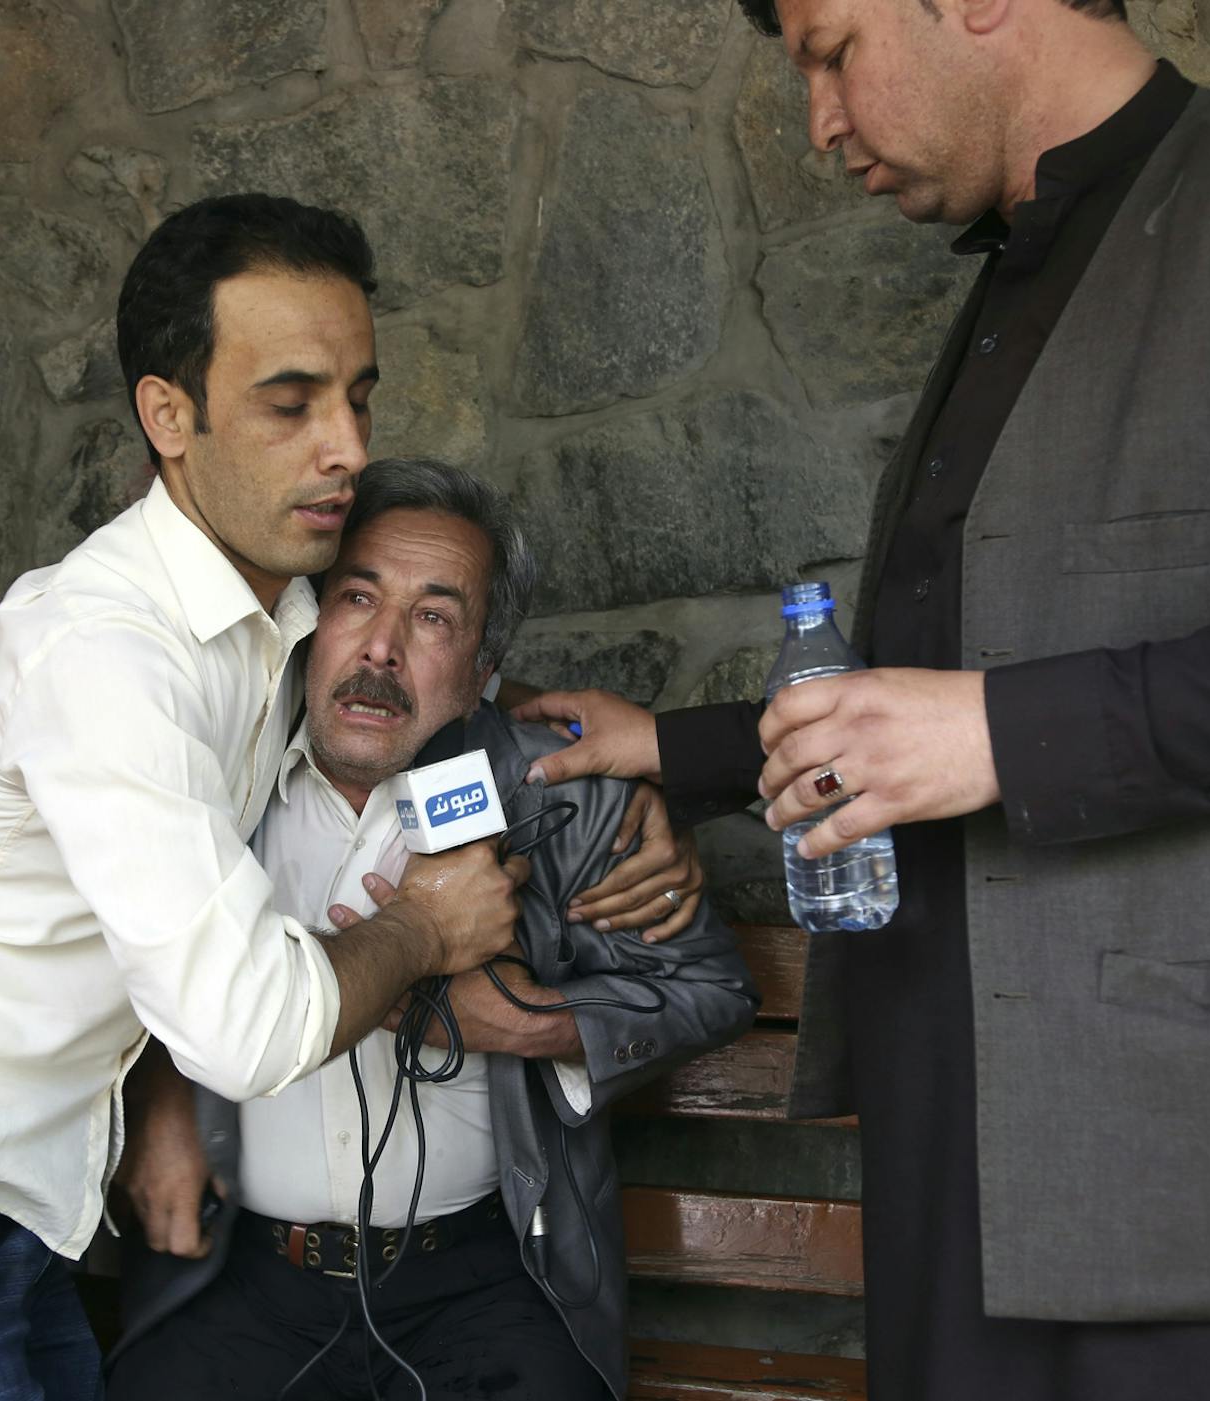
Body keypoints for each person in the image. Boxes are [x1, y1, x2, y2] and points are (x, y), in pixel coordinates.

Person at [516, 1, 1210, 1398]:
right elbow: (986, 661)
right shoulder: (1023, 266)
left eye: (831, 51)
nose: (819, 123)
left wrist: (1003, 737)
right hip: (970, 1173)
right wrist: (675, 748)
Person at [0, 195, 538, 1401]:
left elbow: (415, 672)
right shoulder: (103, 648)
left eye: (359, 398)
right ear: (169, 416)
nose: (347, 447)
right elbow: (248, 1029)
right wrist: (423, 926)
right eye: (292, 404)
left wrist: (593, 747)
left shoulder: (271, 621)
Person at [104, 459, 760, 1401]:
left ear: (484, 671)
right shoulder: (207, 771)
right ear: (307, 620)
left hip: (483, 1282)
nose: (381, 647)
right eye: (357, 597)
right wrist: (156, 1094)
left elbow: (715, 991)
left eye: (434, 618)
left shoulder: (555, 793)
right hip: (238, 1273)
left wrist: (527, 1023)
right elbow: (106, 947)